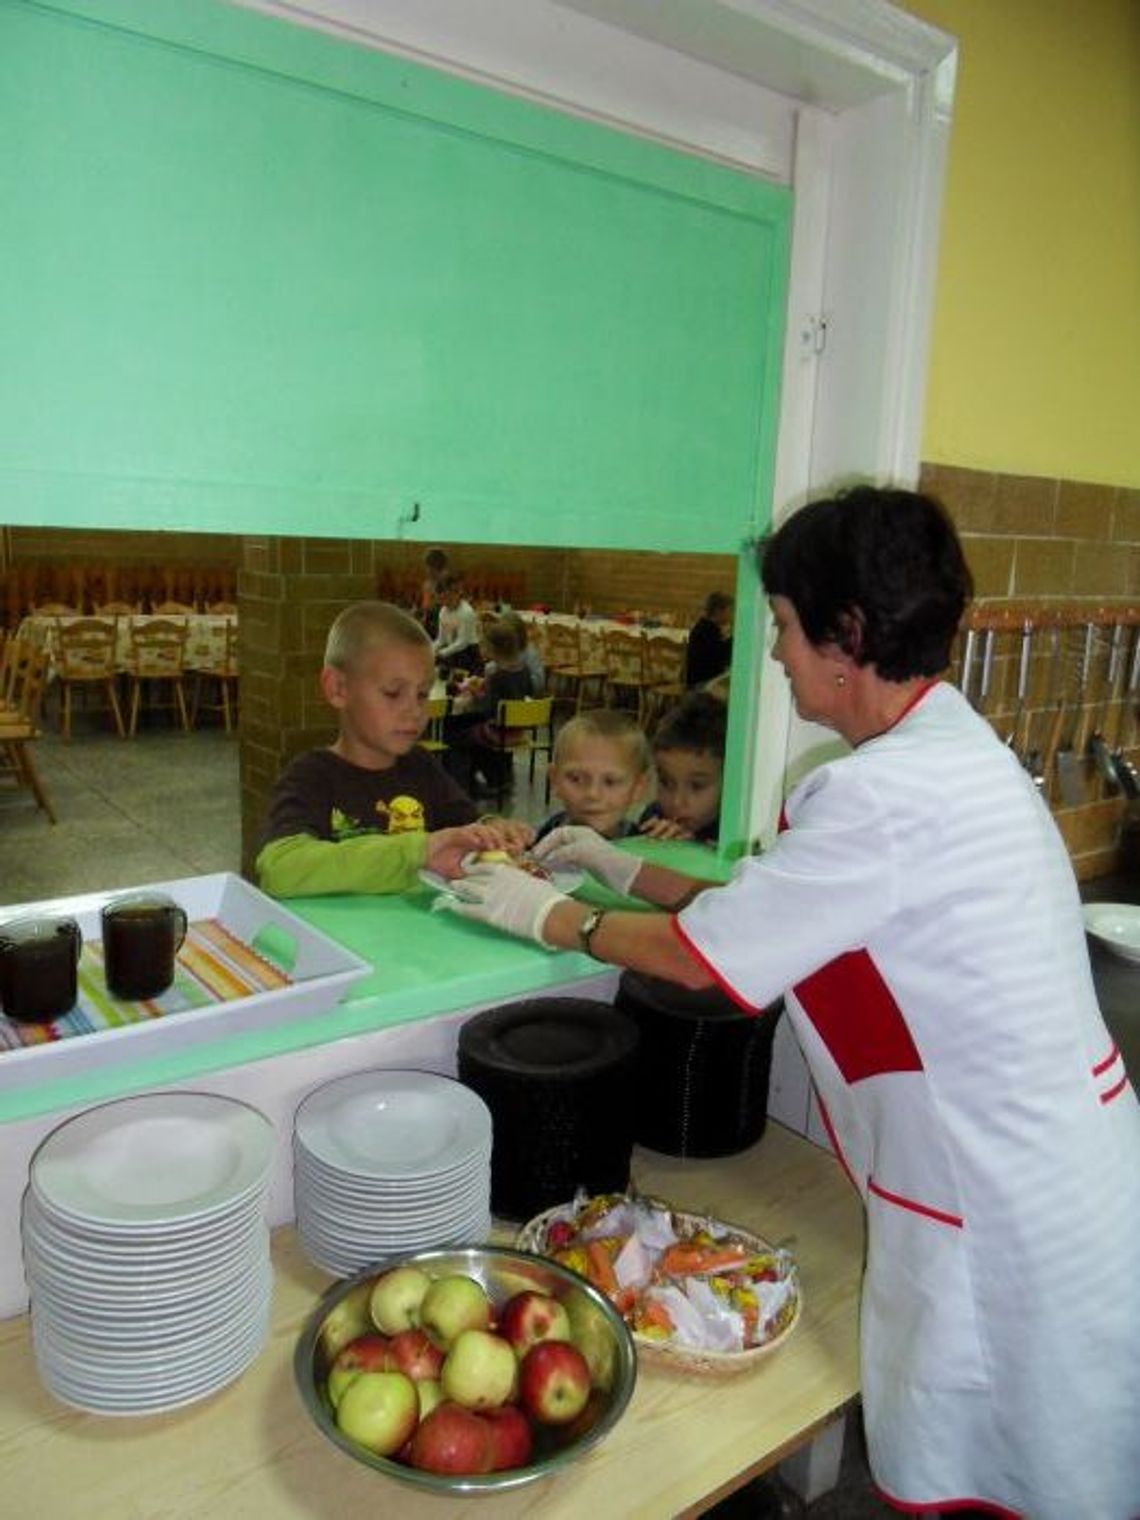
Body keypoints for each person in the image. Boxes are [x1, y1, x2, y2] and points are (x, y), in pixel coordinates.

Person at [437, 485, 1140, 1520]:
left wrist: (548, 916)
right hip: (1068, 1170)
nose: (772, 653)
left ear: (844, 635)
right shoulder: (947, 755)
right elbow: (792, 908)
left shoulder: (880, 796)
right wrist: (622, 870)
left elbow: (704, 963)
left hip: (1009, 1212)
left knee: (1025, 1473)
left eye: (783, 627)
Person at [255, 601, 530, 897]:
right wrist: (420, 850)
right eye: (393, 693)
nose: (414, 711)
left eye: (422, 694)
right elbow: (279, 869)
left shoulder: (421, 767)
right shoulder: (311, 776)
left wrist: (492, 830)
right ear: (338, 688)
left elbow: (466, 823)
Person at [443, 619, 535, 797]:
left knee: (453, 734)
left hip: (498, 733)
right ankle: (496, 778)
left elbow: (487, 710)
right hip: (518, 731)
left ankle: (462, 786)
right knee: (470, 732)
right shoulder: (524, 670)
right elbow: (528, 693)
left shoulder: (497, 675)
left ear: (494, 649)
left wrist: (475, 696)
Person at [534, 708, 651, 843]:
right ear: (554, 780)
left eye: (610, 782)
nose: (593, 794)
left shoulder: (649, 849)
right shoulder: (540, 838)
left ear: (637, 787)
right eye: (576, 779)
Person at [638, 689, 726, 843]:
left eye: (697, 786)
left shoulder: (736, 836)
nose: (677, 802)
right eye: (666, 783)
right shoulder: (653, 817)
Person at [433, 573, 484, 677]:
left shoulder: (466, 612)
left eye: (447, 598)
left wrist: (441, 654)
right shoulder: (443, 611)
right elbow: (441, 639)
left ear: (457, 594)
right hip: (451, 652)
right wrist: (431, 650)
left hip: (468, 655)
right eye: (441, 599)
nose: (445, 603)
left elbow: (463, 642)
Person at [685, 590, 733, 687]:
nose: (731, 614)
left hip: (699, 681)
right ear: (718, 611)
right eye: (729, 610)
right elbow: (721, 657)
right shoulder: (708, 631)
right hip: (701, 686)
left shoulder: (704, 626)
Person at [418, 546, 449, 640]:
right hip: (432, 619)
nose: (425, 569)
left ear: (432, 566)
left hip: (438, 621)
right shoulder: (430, 582)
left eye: (427, 566)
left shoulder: (443, 582)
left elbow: (428, 605)